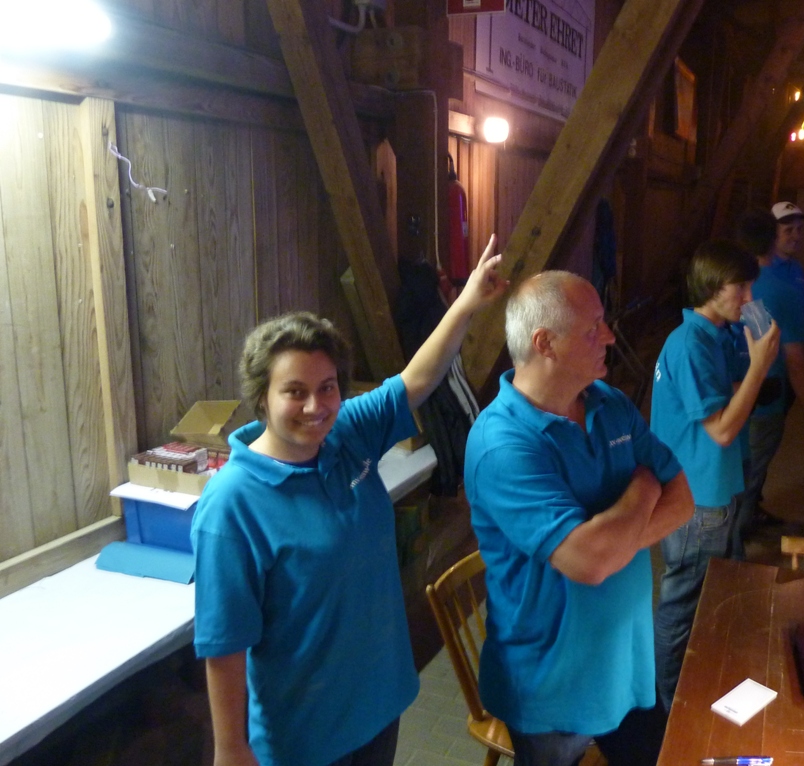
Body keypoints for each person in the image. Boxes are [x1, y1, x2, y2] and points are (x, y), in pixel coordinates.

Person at [191, 235, 508, 766]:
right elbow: (225, 642)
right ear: (262, 396)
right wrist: (230, 748)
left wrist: (468, 301)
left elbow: (417, 379)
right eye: (294, 390)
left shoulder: (347, 436)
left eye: (328, 387)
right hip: (305, 737)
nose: (316, 406)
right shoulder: (232, 504)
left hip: (378, 708)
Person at [465, 271, 693, 766]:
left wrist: (612, 544)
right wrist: (644, 485)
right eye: (593, 328)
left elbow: (683, 501)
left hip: (628, 661)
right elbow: (589, 563)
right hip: (553, 684)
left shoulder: (608, 403)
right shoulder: (502, 445)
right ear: (544, 343)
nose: (609, 336)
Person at [651, 239, 780, 712]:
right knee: (682, 602)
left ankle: (705, 683)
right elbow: (722, 429)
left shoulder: (715, 334)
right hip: (696, 496)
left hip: (718, 486)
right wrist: (761, 367)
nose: (749, 297)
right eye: (739, 287)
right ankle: (668, 708)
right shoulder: (688, 343)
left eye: (750, 286)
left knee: (717, 590)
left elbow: (724, 393)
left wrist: (756, 373)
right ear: (710, 286)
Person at [733, 209, 804, 547]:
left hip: (743, 388)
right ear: (773, 237)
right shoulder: (778, 288)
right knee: (754, 464)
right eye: (787, 230)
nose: (795, 236)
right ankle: (735, 542)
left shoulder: (738, 283)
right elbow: (794, 360)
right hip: (767, 391)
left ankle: (747, 518)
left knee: (745, 462)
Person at [769, 201, 804, 294]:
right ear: (772, 232)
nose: (797, 236)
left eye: (799, 229)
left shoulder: (797, 267)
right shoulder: (761, 268)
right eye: (789, 230)